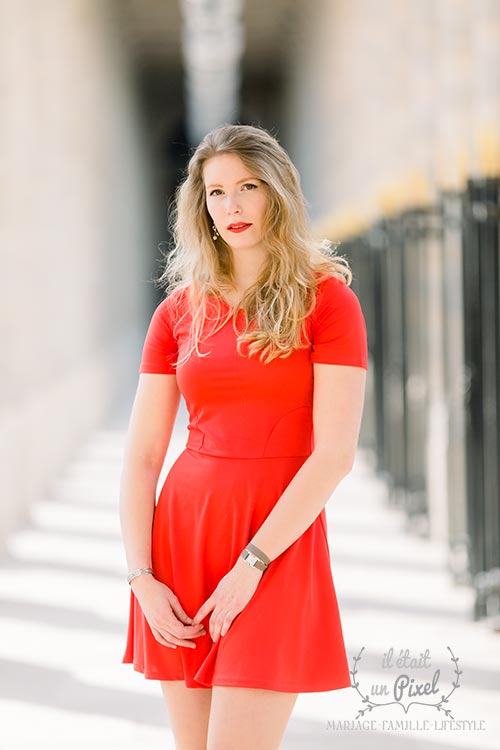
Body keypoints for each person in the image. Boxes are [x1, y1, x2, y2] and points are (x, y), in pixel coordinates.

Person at [120, 123, 368, 750]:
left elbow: (334, 454)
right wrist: (141, 578)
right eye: (215, 192)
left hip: (277, 548)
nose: (231, 206)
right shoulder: (177, 311)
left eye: (248, 187)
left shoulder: (328, 302)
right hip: (183, 540)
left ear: (277, 192)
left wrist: (252, 563)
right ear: (198, 206)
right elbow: (143, 455)